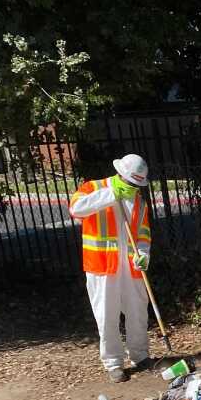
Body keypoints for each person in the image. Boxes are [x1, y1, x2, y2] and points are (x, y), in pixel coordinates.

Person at [69, 154, 152, 382]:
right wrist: (110, 194)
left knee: (137, 311)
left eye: (137, 185)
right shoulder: (92, 187)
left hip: (131, 266)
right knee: (107, 314)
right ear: (121, 176)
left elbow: (143, 232)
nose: (134, 188)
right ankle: (114, 363)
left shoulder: (138, 200)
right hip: (103, 266)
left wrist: (143, 253)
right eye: (131, 184)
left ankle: (140, 355)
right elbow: (76, 209)